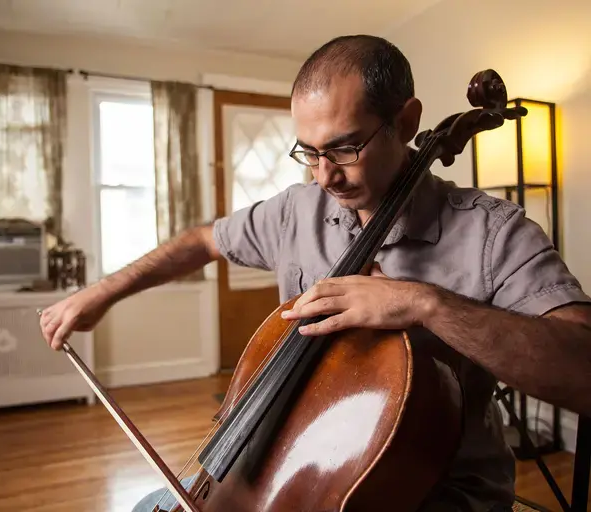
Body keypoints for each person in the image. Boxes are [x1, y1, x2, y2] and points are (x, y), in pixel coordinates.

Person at [39, 35, 591, 512]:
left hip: (435, 490)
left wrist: (428, 304)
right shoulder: (295, 210)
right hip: (288, 465)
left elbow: (582, 370)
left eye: (345, 147)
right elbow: (201, 240)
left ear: (406, 121)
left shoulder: (494, 232)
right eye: (308, 151)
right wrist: (102, 293)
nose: (324, 174)